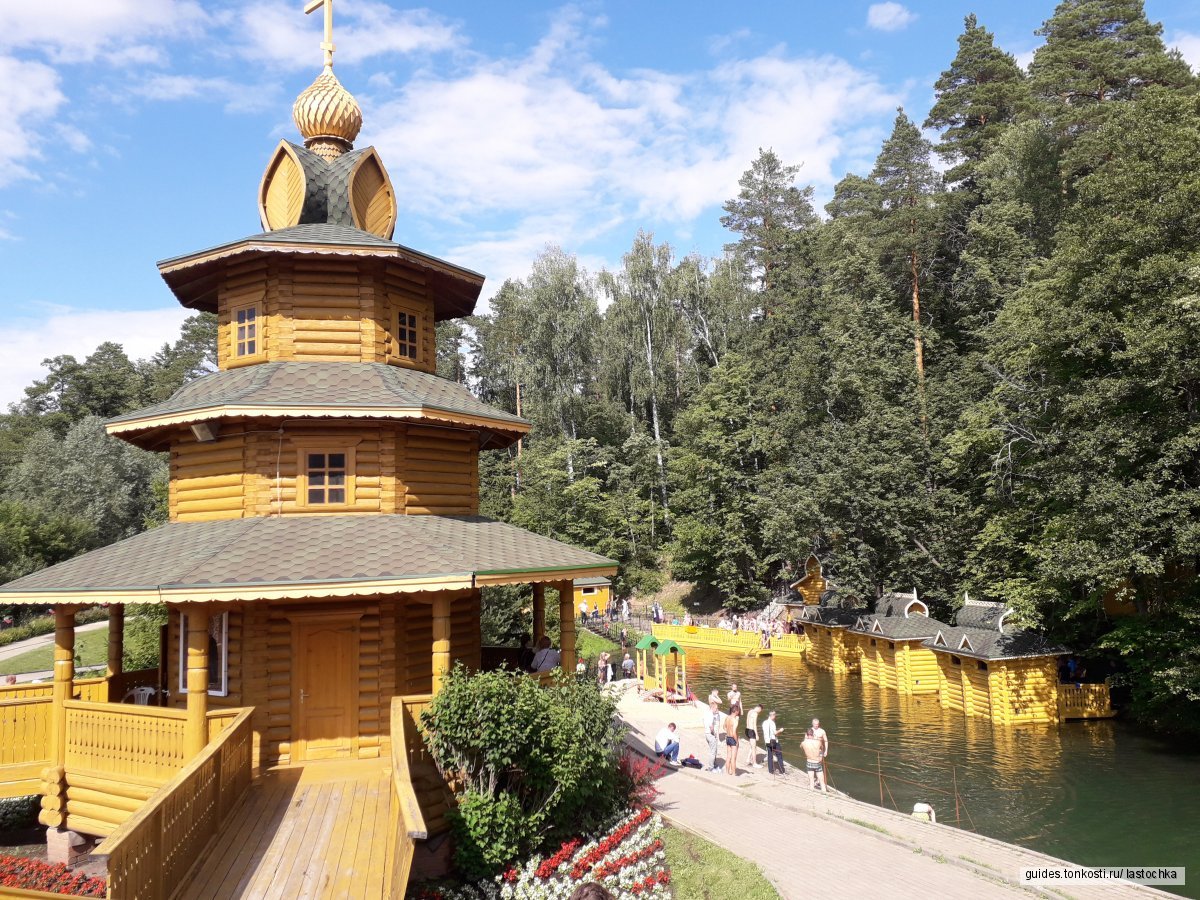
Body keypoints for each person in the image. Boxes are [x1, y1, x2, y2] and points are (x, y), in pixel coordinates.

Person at [801, 727, 826, 792]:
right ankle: (824, 793)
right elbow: (822, 749)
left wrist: (805, 738)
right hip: (817, 762)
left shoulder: (803, 743)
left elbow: (801, 747)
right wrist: (821, 757)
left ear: (806, 735)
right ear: (813, 734)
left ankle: (812, 793)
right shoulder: (818, 742)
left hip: (809, 762)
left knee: (811, 781)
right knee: (822, 782)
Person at [761, 710, 783, 775]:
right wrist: (780, 730)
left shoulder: (764, 722)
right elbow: (775, 733)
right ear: (772, 715)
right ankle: (782, 770)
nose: (775, 716)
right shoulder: (772, 723)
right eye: (775, 715)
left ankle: (770, 770)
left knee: (770, 756)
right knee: (779, 754)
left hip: (767, 741)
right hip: (773, 741)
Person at [704, 700, 723, 772]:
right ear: (712, 708)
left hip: (706, 734)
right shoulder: (711, 715)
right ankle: (711, 767)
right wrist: (714, 733)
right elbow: (711, 726)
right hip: (710, 734)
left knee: (713, 750)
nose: (717, 710)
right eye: (716, 708)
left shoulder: (706, 714)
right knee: (713, 751)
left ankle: (715, 765)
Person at [723, 704, 740, 775]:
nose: (739, 712)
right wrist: (737, 741)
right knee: (733, 758)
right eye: (738, 711)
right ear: (736, 711)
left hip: (728, 738)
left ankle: (726, 772)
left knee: (728, 756)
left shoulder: (727, 717)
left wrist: (728, 731)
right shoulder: (735, 720)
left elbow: (724, 727)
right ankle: (733, 774)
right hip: (733, 739)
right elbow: (734, 733)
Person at [744, 703, 763, 768]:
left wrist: (747, 729)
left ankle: (748, 759)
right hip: (751, 731)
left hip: (747, 729)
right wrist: (757, 734)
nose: (760, 712)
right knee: (754, 747)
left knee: (752, 746)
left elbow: (747, 721)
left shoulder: (750, 711)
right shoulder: (755, 713)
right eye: (760, 711)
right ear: (759, 708)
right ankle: (754, 763)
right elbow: (754, 724)